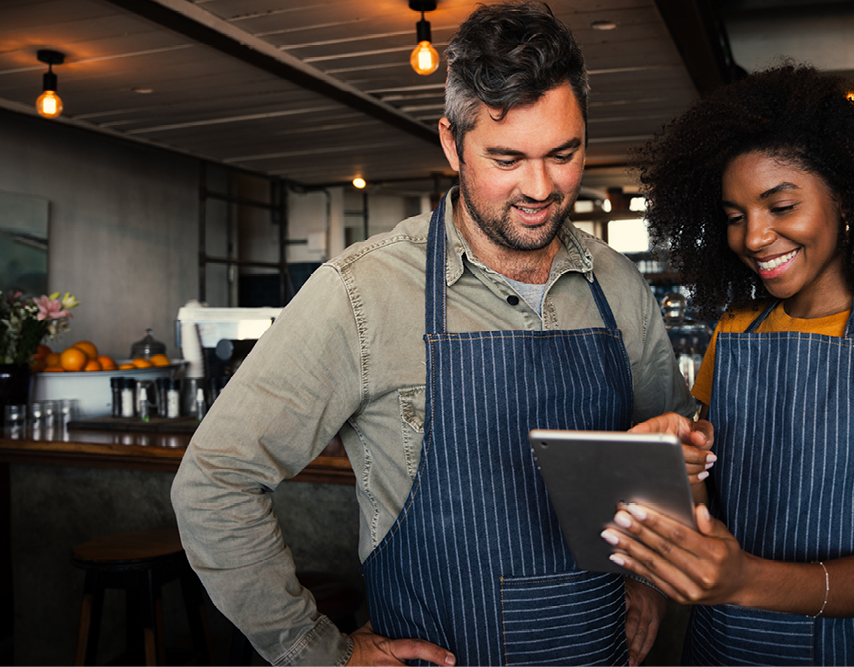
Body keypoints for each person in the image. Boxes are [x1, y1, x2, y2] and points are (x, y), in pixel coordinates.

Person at [171, 4, 700, 666]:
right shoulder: (361, 294)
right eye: (506, 158)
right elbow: (215, 479)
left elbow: (674, 465)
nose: (540, 187)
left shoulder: (617, 285)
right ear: (451, 143)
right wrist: (315, 650)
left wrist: (650, 578)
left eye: (563, 153)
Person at [607, 64, 854, 665]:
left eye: (780, 205)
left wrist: (745, 579)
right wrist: (675, 461)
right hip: (717, 649)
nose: (753, 237)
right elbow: (705, 507)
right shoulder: (737, 329)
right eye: (734, 215)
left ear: (847, 201)